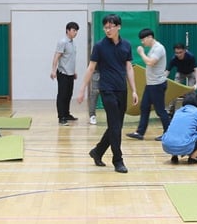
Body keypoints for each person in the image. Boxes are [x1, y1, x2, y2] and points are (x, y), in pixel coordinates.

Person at [78, 14, 138, 173]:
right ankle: (118, 160)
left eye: (111, 26)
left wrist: (134, 90)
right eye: (105, 27)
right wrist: (82, 88)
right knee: (115, 126)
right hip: (107, 89)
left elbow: (129, 68)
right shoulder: (99, 46)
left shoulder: (126, 45)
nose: (108, 29)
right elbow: (91, 68)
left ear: (119, 27)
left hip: (122, 90)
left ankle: (97, 152)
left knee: (115, 126)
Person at [127, 28, 170, 141]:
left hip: (157, 84)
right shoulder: (152, 49)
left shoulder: (158, 48)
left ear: (150, 37)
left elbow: (150, 62)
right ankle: (140, 132)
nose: (142, 42)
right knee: (144, 107)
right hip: (151, 85)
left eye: (143, 40)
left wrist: (141, 53)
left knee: (160, 110)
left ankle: (168, 133)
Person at [51, 21, 80, 125]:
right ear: (68, 30)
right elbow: (56, 57)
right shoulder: (62, 42)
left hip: (70, 74)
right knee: (62, 95)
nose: (76, 32)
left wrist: (74, 71)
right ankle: (61, 117)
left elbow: (70, 58)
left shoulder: (72, 43)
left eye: (77, 31)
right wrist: (53, 70)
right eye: (74, 30)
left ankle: (67, 114)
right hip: (63, 73)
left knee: (69, 94)